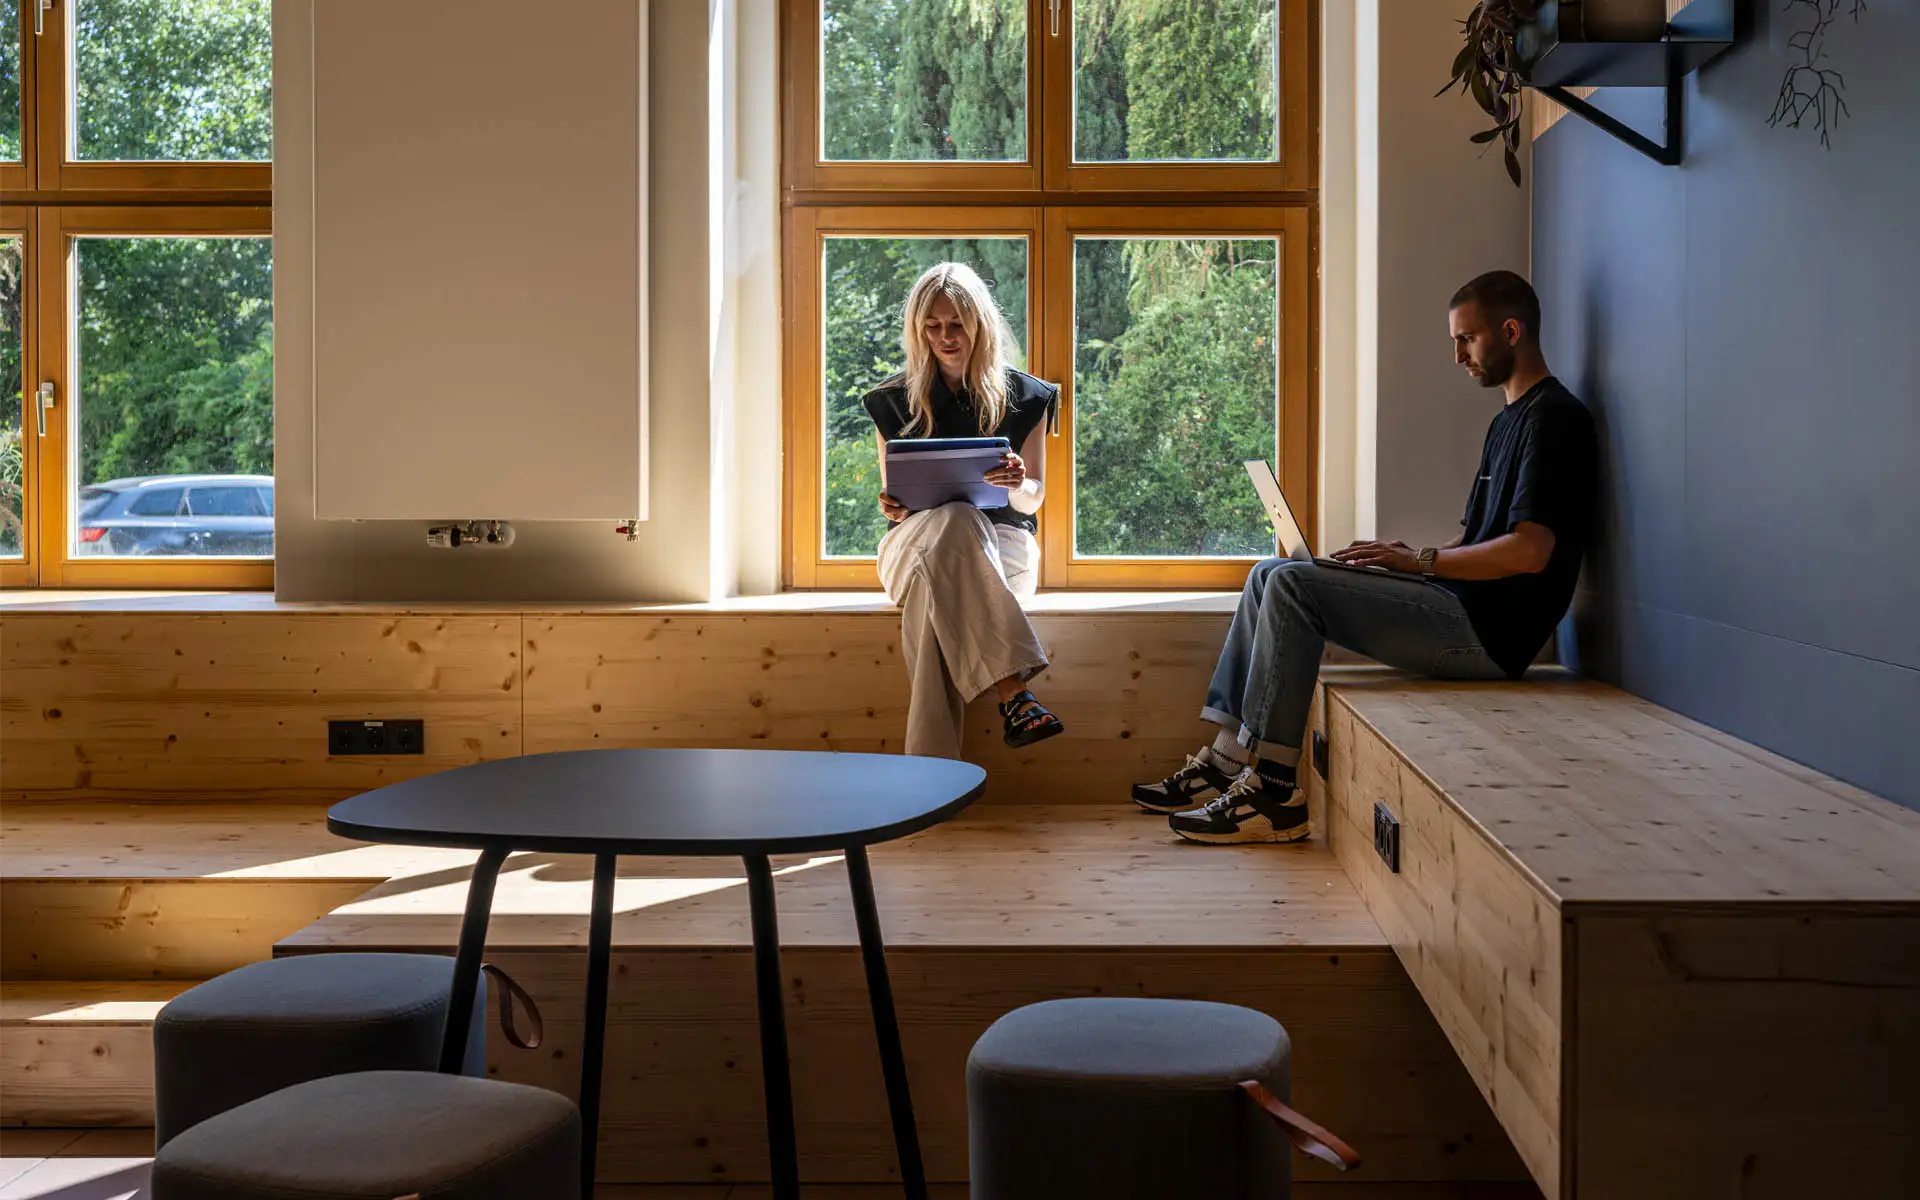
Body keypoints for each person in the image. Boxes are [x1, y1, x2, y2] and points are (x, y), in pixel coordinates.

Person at [1134, 270, 1598, 844]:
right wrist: (1406, 558)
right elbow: (1482, 539)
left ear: (1511, 330)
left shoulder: (1555, 420)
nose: (1458, 356)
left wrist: (1422, 563)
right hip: (1459, 608)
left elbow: (1530, 552)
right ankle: (1227, 760)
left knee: (1294, 587)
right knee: (1268, 573)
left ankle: (1275, 793)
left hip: (1489, 637)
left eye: (1467, 339)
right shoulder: (1508, 421)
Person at [862, 263, 1065, 759]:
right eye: (932, 326)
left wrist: (1020, 482)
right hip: (912, 546)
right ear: (917, 330)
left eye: (956, 324)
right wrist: (891, 505)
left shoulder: (1028, 396)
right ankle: (1013, 692)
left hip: (1004, 553)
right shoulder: (891, 401)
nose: (945, 336)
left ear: (980, 324)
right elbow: (895, 503)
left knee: (932, 605)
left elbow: (1034, 499)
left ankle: (928, 782)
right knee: (954, 520)